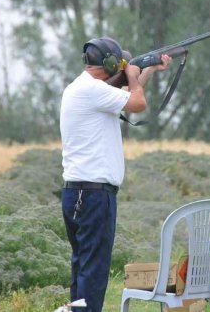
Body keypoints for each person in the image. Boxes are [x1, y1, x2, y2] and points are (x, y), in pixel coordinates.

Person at [59, 36, 171, 312]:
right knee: (94, 272)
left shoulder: (84, 89)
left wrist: (147, 71)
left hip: (80, 193)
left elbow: (129, 97)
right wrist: (132, 76)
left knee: (83, 267)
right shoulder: (92, 91)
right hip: (93, 194)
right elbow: (137, 103)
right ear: (110, 63)